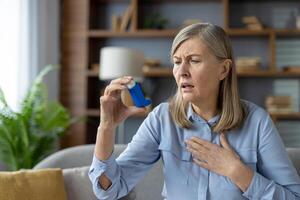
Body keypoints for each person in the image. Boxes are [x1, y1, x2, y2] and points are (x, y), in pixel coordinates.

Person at [88, 23, 300, 200]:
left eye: (194, 61)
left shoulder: (257, 123)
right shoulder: (162, 119)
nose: (182, 72)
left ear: (223, 69)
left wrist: (237, 172)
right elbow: (109, 189)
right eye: (177, 62)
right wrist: (106, 127)